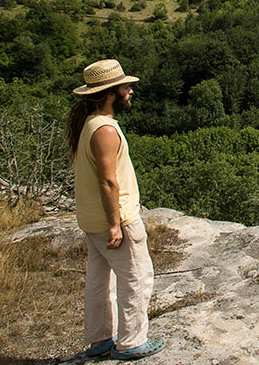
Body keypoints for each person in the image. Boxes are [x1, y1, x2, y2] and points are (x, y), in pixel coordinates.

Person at [65, 59, 165, 360]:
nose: (130, 91)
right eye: (126, 87)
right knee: (137, 278)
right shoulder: (105, 130)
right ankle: (132, 342)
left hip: (90, 219)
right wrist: (115, 224)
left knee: (99, 281)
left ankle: (100, 341)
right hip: (116, 219)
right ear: (110, 93)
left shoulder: (88, 124)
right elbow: (108, 181)